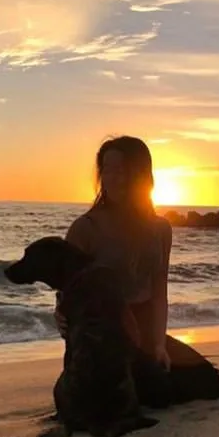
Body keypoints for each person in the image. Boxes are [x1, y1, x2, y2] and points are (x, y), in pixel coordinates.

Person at [54, 135, 173, 370]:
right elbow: (66, 288)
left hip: (144, 329)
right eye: (107, 170)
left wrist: (159, 344)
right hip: (100, 333)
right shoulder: (86, 227)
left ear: (139, 175)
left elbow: (159, 291)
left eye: (121, 170)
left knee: (205, 383)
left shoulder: (161, 229)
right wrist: (59, 312)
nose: (112, 178)